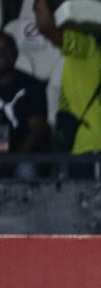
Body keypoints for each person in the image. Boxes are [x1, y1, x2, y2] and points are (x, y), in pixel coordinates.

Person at [33, 0, 101, 175]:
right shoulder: (90, 54)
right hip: (86, 147)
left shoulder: (86, 46)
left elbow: (45, 27)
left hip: (94, 146)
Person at [0, 31, 50, 178]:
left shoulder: (32, 86)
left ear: (16, 53)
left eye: (6, 49)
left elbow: (37, 130)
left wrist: (11, 162)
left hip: (23, 157)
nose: (1, 55)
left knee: (26, 171)